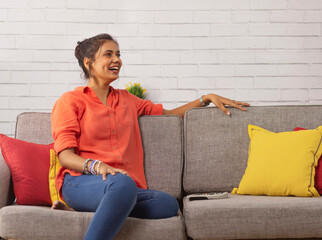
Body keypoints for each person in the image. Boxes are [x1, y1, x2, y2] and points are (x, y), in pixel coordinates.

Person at [51, 33, 250, 240]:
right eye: (108, 54)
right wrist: (99, 166)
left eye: (118, 54)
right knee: (122, 184)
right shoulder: (70, 101)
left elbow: (171, 115)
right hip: (80, 183)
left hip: (122, 187)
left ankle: (101, 210)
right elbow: (66, 157)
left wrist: (205, 98)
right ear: (88, 62)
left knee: (167, 204)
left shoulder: (128, 100)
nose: (116, 60)